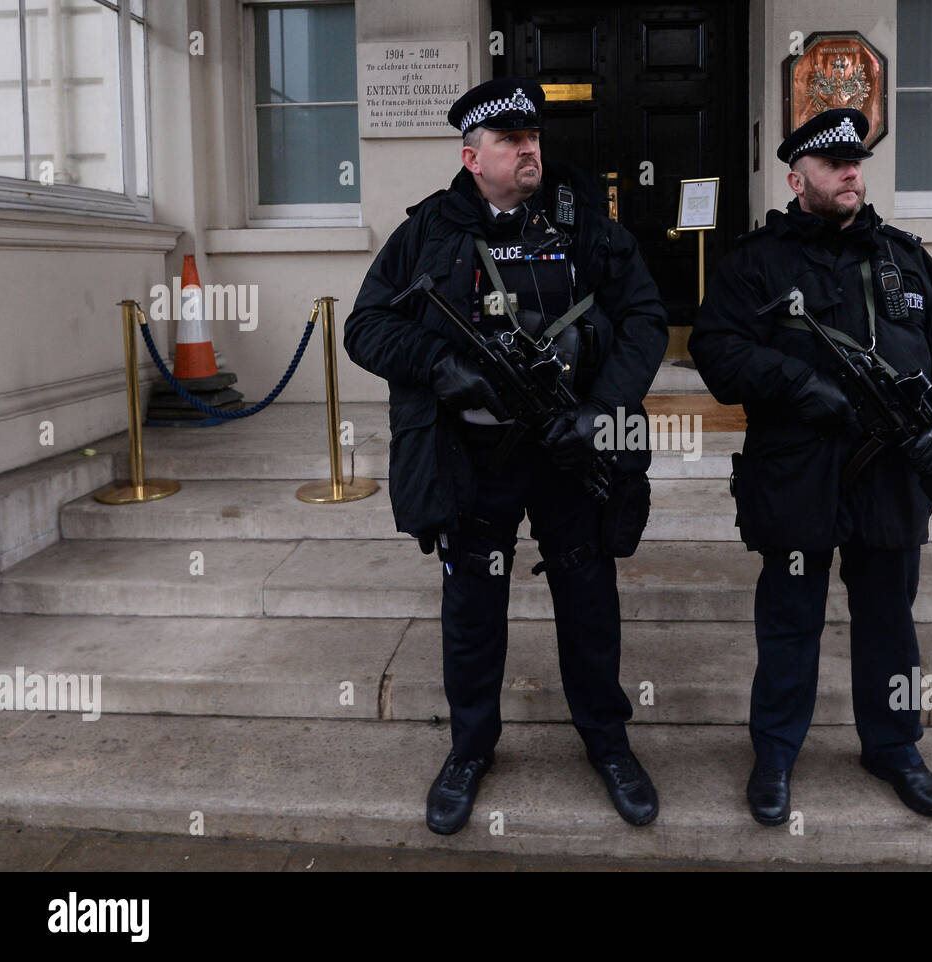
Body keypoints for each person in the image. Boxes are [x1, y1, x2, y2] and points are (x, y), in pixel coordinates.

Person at [343, 77, 669, 835]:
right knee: (473, 607)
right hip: (472, 458)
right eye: (509, 141)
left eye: (534, 139)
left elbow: (646, 317)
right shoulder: (429, 231)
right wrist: (437, 364)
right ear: (472, 156)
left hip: (566, 451)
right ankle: (470, 748)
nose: (529, 150)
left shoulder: (583, 222)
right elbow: (364, 327)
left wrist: (602, 412)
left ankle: (608, 742)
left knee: (588, 600)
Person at [688, 108, 932, 825]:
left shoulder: (907, 259)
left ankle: (894, 747)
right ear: (797, 179)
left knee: (889, 620)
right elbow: (716, 351)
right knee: (789, 621)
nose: (851, 171)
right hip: (798, 473)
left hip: (891, 478)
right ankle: (777, 753)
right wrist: (797, 384)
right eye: (832, 163)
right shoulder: (756, 262)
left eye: (856, 161)